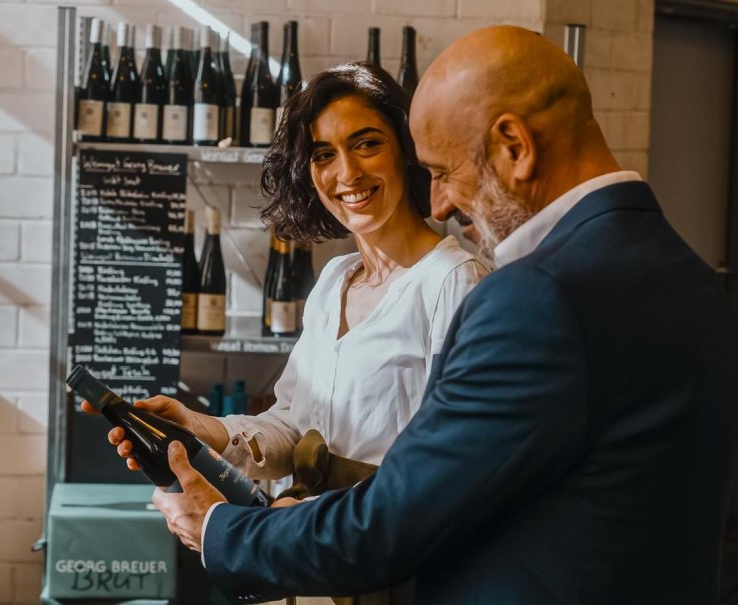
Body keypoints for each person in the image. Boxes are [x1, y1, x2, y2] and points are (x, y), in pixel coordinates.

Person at [148, 26, 738, 604]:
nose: (436, 200)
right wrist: (214, 434)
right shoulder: (689, 273)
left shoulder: (535, 297)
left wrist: (224, 529)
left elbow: (399, 518)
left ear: (515, 147)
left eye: (442, 172)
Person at [88, 61, 487, 499]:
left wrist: (301, 520)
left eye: (367, 144)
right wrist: (199, 427)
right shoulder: (336, 280)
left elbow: (453, 469)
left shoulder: (454, 283)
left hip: (382, 551)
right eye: (324, 155)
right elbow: (293, 426)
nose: (347, 173)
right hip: (305, 544)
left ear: (406, 150)